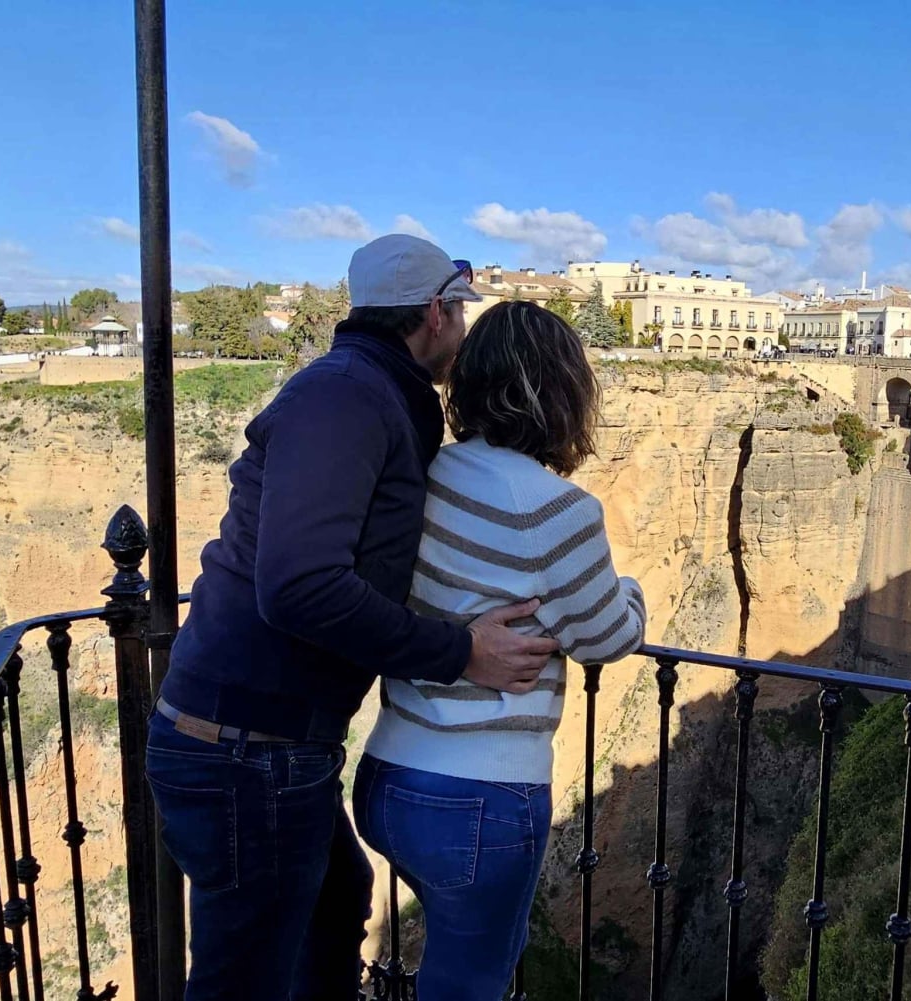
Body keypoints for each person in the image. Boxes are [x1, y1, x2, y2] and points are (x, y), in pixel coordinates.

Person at [146, 236, 561, 1001]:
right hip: (245, 751)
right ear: (434, 313)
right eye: (459, 313)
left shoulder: (369, 392)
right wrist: (459, 651)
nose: (462, 333)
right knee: (247, 980)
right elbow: (300, 584)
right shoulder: (345, 397)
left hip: (265, 747)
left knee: (335, 907)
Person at [354, 300, 647, 1000]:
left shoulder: (427, 472)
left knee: (461, 962)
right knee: (473, 981)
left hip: (386, 779)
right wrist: (631, 587)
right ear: (564, 393)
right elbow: (608, 635)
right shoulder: (557, 509)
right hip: (478, 801)